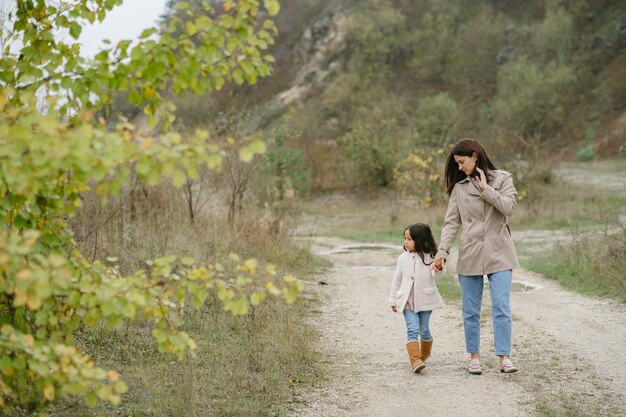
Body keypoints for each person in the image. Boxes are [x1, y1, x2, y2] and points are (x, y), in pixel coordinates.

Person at [434, 138, 519, 375]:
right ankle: (474, 356)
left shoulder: (503, 179)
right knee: (470, 309)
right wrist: (442, 252)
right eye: (457, 164)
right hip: (470, 252)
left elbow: (510, 208)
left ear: (474, 156)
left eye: (462, 162)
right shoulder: (460, 188)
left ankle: (504, 357)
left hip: (500, 251)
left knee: (501, 306)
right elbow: (451, 223)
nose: (460, 167)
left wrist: (485, 190)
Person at [389, 223, 445, 373]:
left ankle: (423, 355)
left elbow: (437, 275)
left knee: (424, 329)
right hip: (407, 300)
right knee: (412, 329)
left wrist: (439, 266)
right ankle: (415, 360)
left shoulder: (430, 257)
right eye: (405, 238)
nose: (405, 241)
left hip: (425, 300)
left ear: (420, 240)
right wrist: (393, 300)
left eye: (409, 239)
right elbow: (397, 279)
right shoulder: (402, 258)